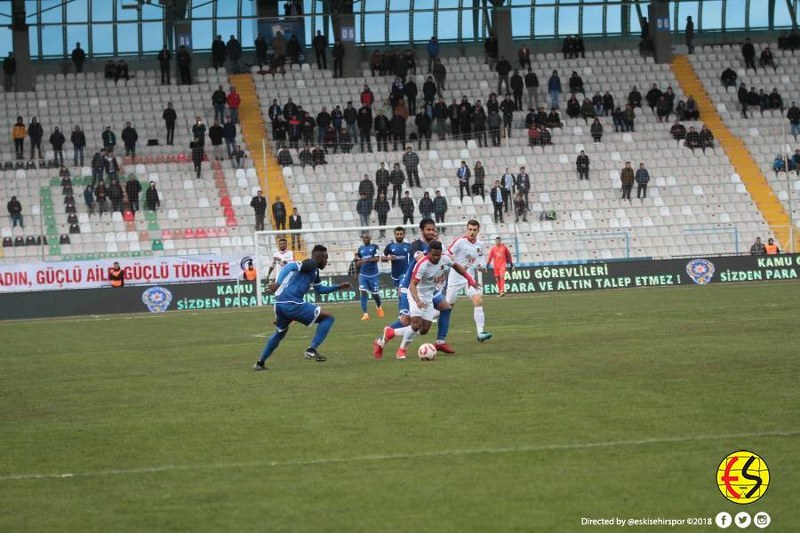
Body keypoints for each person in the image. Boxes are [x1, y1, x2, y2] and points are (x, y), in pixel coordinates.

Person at [253, 244, 352, 370]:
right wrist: (278, 283)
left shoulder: (314, 271)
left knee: (280, 333)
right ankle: (312, 349)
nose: (327, 262)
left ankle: (260, 363)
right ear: (320, 258)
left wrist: (338, 287)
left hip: (281, 304)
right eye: (326, 259)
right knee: (328, 318)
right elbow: (290, 266)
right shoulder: (310, 263)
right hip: (292, 303)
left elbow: (319, 289)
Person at [376, 240, 478, 360]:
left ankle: (391, 332)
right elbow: (413, 284)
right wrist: (418, 301)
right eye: (433, 254)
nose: (435, 257)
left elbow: (456, 267)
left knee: (424, 330)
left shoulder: (445, 259)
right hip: (415, 294)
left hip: (429, 296)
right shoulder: (422, 264)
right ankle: (401, 351)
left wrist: (470, 279)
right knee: (415, 324)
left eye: (438, 255)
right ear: (428, 252)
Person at [445, 220, 492, 342]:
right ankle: (426, 318)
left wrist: (481, 266)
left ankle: (480, 332)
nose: (472, 232)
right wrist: (450, 263)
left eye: (474, 230)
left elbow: (481, 256)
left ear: (478, 231)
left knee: (478, 300)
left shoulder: (480, 245)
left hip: (469, 278)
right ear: (467, 229)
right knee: (447, 307)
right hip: (455, 278)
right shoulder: (460, 242)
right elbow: (447, 254)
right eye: (470, 229)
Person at [355, 234, 385, 321]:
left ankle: (378, 307)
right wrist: (357, 273)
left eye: (367, 238)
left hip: (373, 275)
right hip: (363, 274)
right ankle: (365, 314)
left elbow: (377, 259)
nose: (366, 239)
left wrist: (366, 260)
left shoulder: (375, 247)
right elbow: (358, 262)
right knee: (363, 292)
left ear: (370, 238)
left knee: (375, 295)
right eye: (364, 238)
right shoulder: (360, 249)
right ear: (363, 239)